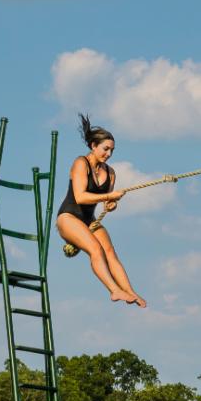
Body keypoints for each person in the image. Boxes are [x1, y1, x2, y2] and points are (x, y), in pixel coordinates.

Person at [57, 114, 145, 307]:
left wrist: (111, 205)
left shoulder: (110, 173)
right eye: (105, 149)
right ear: (93, 146)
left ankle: (130, 292)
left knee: (110, 252)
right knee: (95, 249)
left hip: (89, 220)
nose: (109, 154)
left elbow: (108, 202)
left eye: (112, 151)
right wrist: (108, 198)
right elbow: (80, 197)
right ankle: (114, 291)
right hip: (69, 217)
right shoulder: (81, 163)